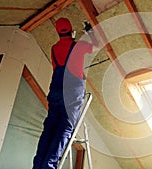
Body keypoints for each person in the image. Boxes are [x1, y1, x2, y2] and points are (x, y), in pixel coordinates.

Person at [32, 17, 98, 169]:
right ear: (71, 30)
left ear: (58, 31)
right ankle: (48, 166)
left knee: (49, 127)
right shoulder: (78, 46)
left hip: (56, 91)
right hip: (71, 93)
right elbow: (97, 45)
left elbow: (57, 66)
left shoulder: (54, 49)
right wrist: (90, 31)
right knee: (65, 128)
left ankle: (38, 166)